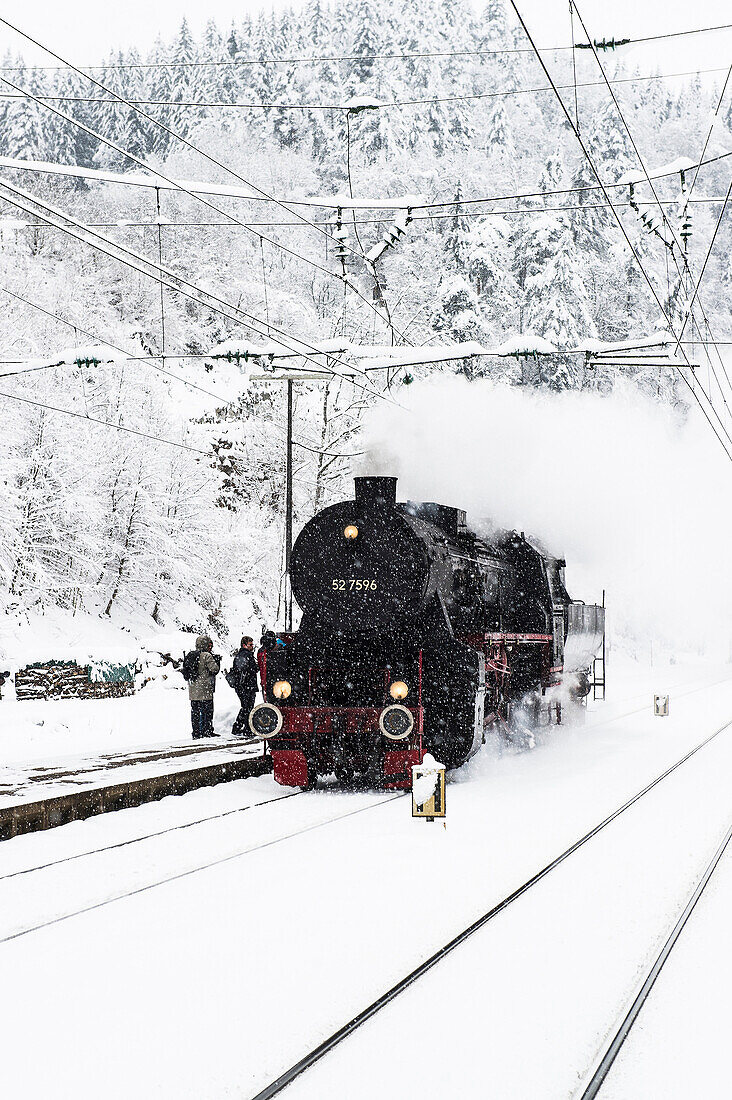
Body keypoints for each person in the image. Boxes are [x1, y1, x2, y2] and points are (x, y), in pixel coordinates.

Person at [187, 635, 221, 739]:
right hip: (205, 689)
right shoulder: (207, 655)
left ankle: (196, 732)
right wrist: (217, 661)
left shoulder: (191, 655)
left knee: (195, 712)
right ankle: (207, 731)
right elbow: (214, 669)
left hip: (193, 689)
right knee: (207, 711)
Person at [228, 636, 259, 737]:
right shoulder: (246, 655)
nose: (252, 646)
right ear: (244, 645)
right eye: (250, 645)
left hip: (243, 686)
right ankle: (246, 728)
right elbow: (249, 669)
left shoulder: (240, 655)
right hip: (247, 685)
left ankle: (238, 727)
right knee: (248, 707)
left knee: (245, 707)